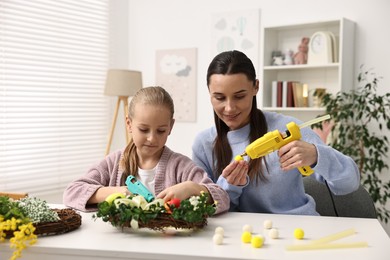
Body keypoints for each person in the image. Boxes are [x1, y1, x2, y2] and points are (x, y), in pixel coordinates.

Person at [191, 50, 360, 215]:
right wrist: (229, 185)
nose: (229, 108)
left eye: (239, 96)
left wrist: (317, 156)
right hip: (241, 236)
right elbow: (203, 210)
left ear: (255, 87)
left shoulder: (287, 129)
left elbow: (349, 183)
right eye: (219, 98)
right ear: (209, 93)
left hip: (297, 230)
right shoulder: (204, 144)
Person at [63, 86, 229, 214]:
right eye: (143, 129)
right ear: (129, 124)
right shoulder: (114, 163)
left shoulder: (181, 166)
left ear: (170, 127)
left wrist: (193, 188)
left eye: (161, 131)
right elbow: (72, 192)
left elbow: (222, 198)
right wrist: (116, 192)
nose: (152, 138)